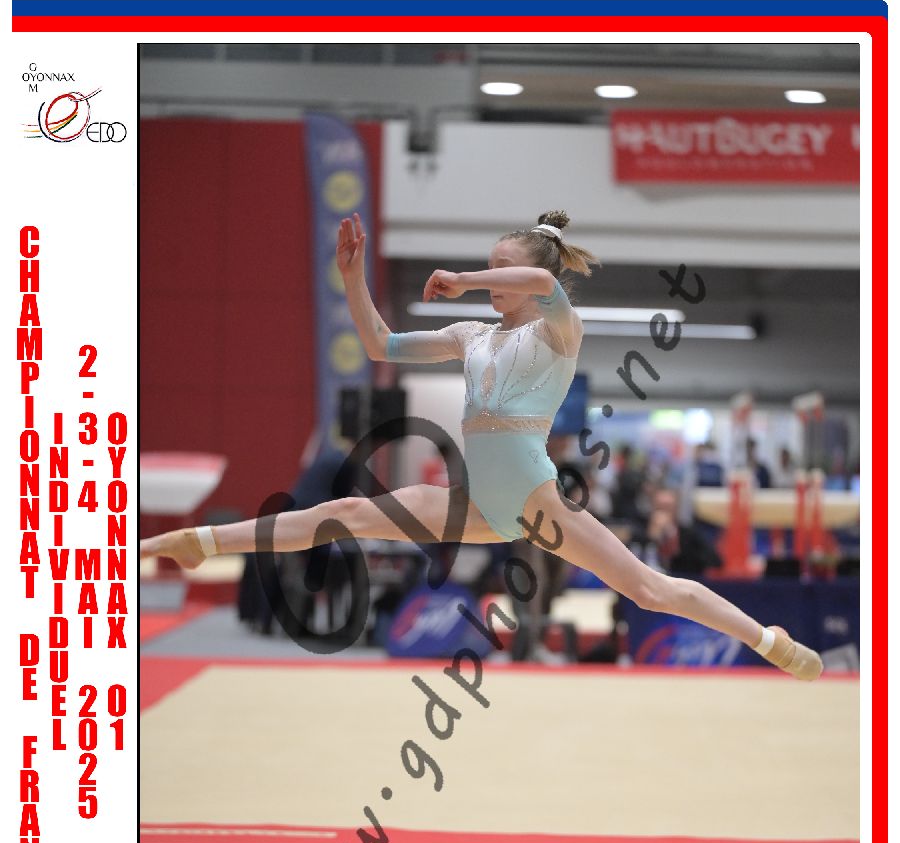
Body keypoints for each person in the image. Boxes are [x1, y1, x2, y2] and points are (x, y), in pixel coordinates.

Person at [140, 209, 822, 681]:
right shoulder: (470, 336)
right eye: (488, 270)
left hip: (535, 498)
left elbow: (545, 284)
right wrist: (352, 279)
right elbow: (381, 344)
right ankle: (205, 542)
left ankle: (767, 639)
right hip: (478, 504)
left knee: (647, 588)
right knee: (346, 513)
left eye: (502, 270)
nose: (493, 280)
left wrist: (468, 279)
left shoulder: (557, 331)